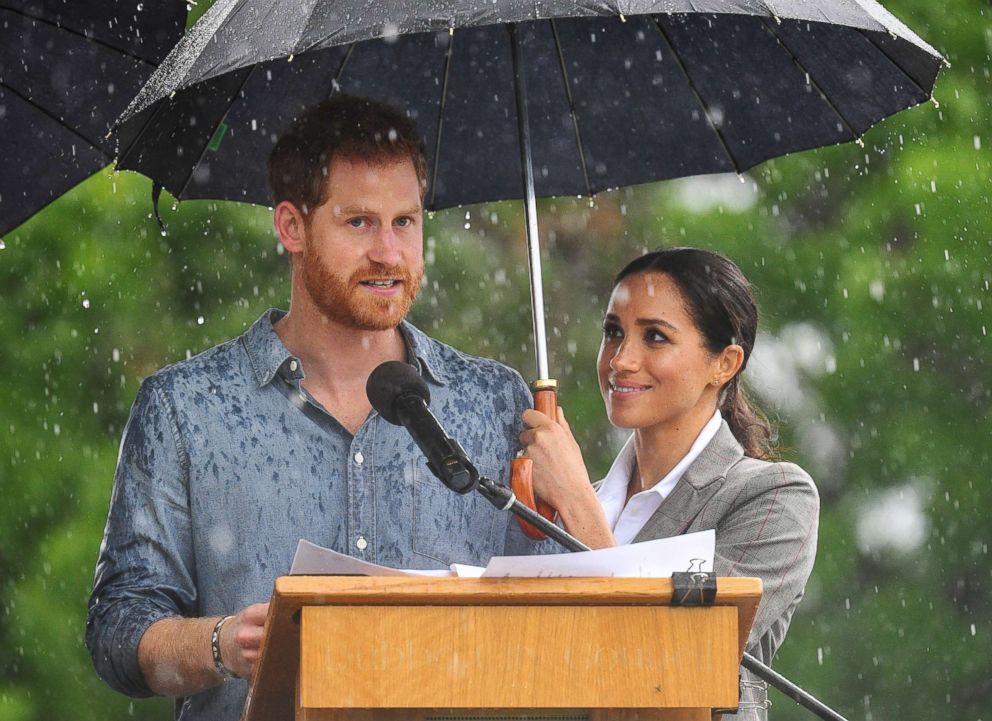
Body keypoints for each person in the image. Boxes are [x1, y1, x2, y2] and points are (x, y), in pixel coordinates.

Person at [86, 96, 533, 721]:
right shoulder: (184, 409)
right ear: (291, 227)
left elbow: (560, 618)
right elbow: (116, 629)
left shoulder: (496, 400)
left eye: (405, 221)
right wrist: (221, 644)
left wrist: (573, 498)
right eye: (359, 223)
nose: (389, 253)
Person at [519, 247, 819, 720]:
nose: (621, 359)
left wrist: (576, 503)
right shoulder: (572, 502)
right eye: (613, 332)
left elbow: (674, 659)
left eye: (655, 337)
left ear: (725, 363)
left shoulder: (775, 497)